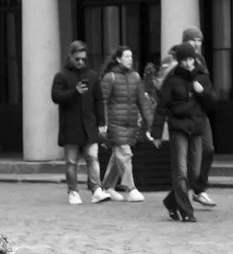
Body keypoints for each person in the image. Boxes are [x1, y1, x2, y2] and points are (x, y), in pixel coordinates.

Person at [149, 39, 215, 223]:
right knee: (181, 171)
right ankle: (187, 211)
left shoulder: (201, 76)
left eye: (191, 59)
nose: (188, 63)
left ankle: (172, 202)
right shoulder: (172, 81)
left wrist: (202, 92)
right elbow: (162, 107)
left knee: (195, 173)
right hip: (178, 128)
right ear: (179, 61)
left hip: (196, 128)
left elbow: (213, 102)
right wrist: (156, 133)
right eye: (184, 60)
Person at [49, 39, 106, 205]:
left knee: (92, 157)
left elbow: (99, 100)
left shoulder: (93, 76)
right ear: (70, 57)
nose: (81, 62)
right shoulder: (61, 76)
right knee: (71, 162)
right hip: (71, 126)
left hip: (89, 125)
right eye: (77, 59)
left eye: (83, 59)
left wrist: (102, 122)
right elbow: (56, 97)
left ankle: (96, 189)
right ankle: (73, 191)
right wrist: (75, 91)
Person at [98, 45, 149, 201]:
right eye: (126, 56)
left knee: (118, 156)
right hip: (115, 123)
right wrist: (104, 122)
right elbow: (103, 102)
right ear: (119, 59)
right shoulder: (110, 77)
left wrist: (151, 123)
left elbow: (143, 102)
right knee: (125, 154)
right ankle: (131, 188)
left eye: (131, 56)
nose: (130, 59)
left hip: (130, 123)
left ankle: (107, 186)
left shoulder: (135, 77)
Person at [176, 27, 218, 207]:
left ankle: (199, 188)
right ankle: (182, 196)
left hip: (201, 114)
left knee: (208, 149)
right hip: (184, 117)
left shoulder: (200, 61)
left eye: (199, 40)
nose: (197, 44)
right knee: (185, 161)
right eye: (193, 40)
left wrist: (204, 94)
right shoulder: (174, 59)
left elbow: (208, 88)